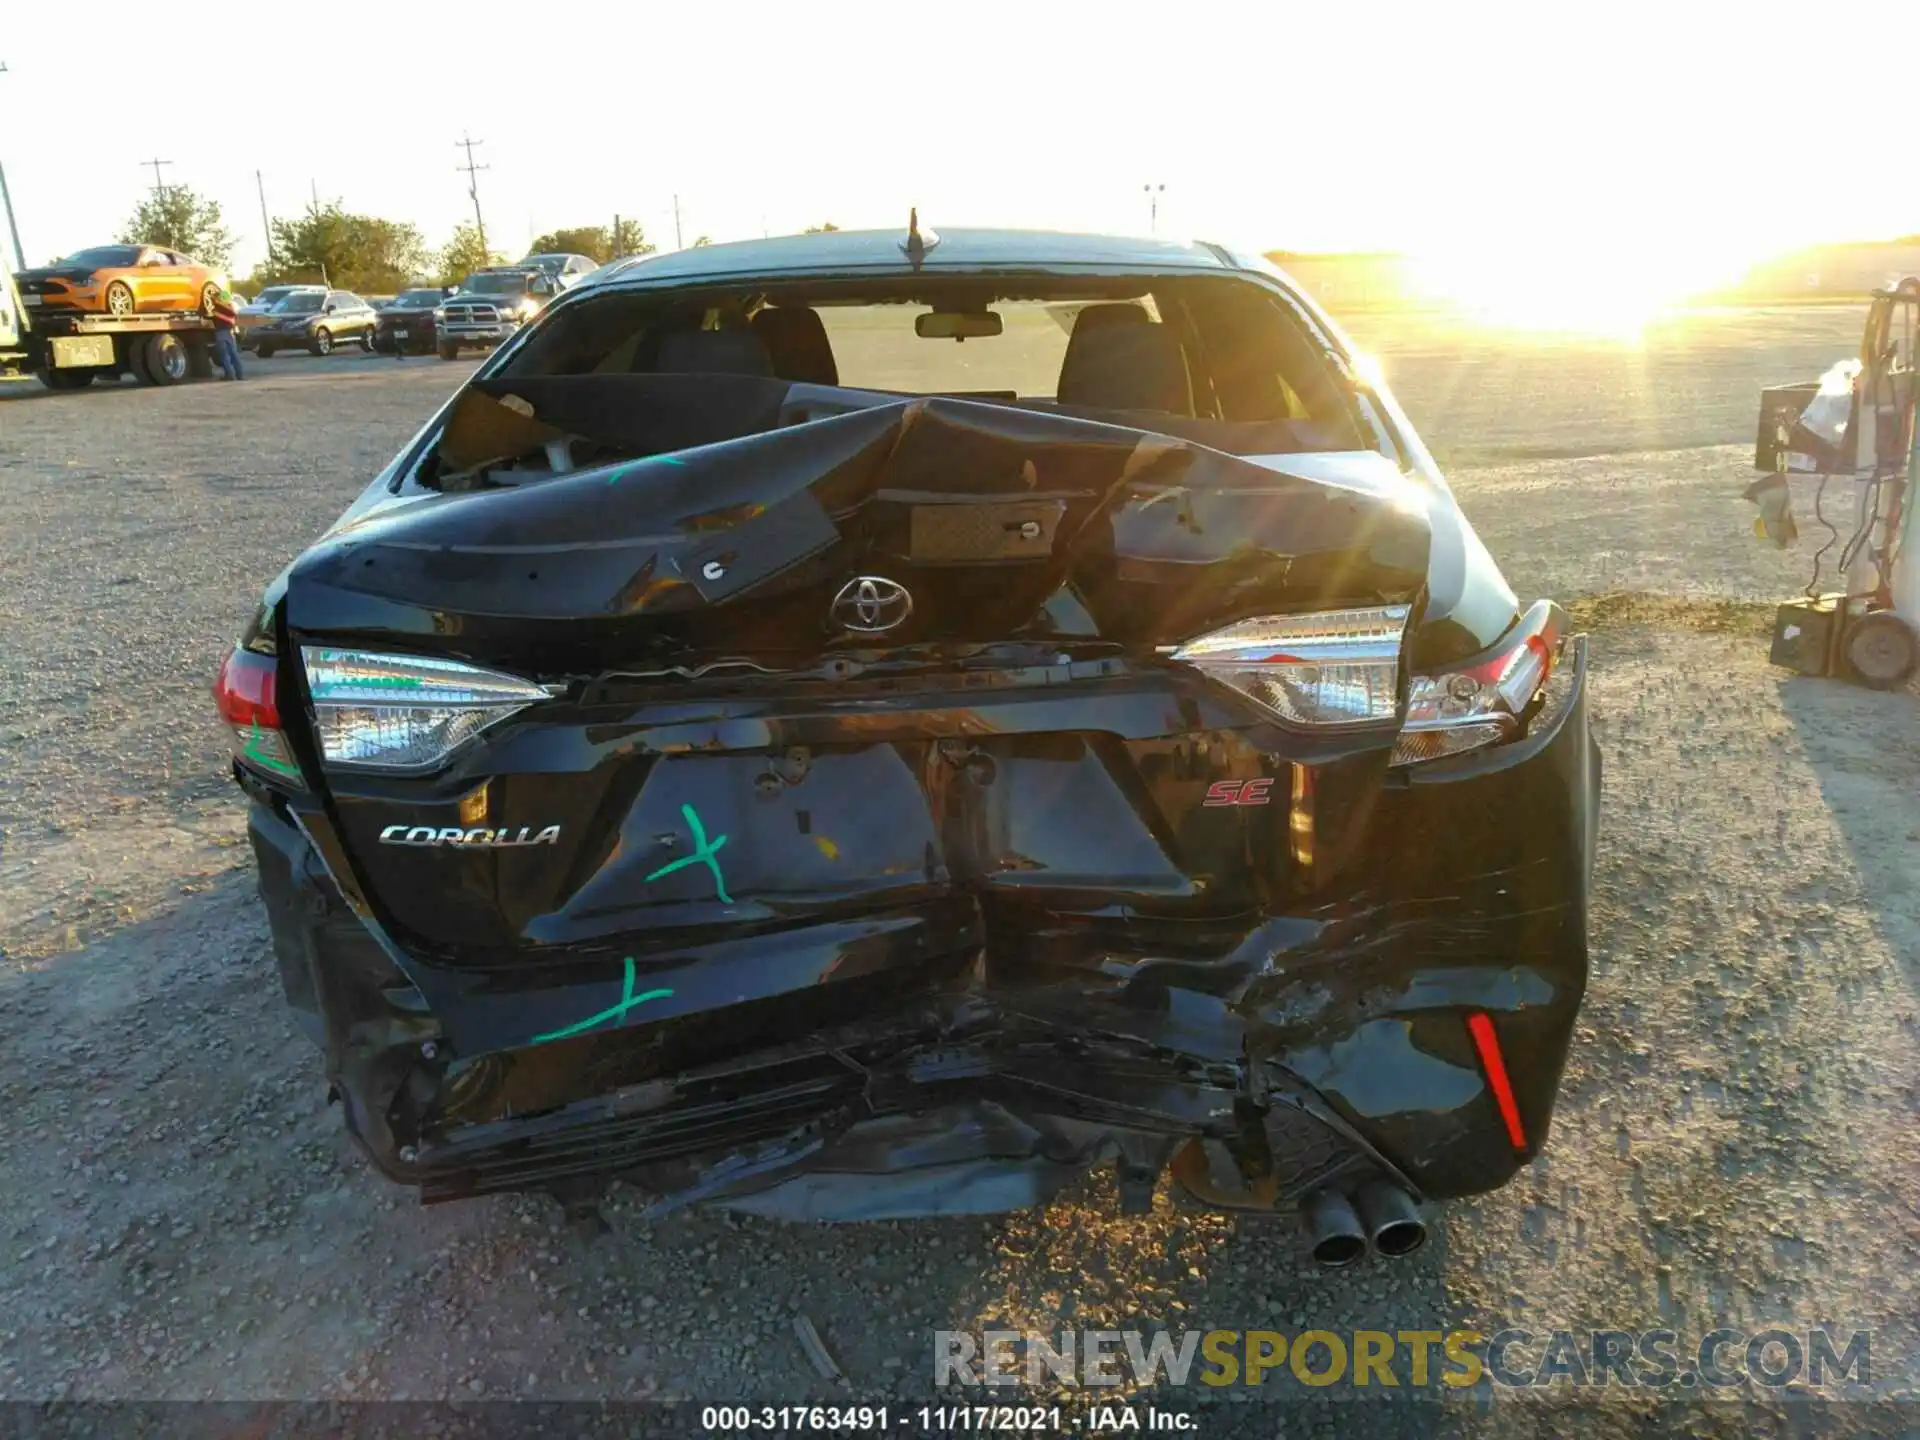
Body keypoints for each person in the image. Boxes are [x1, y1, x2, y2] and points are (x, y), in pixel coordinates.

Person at [210, 285, 244, 380]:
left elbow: (230, 314)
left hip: (222, 331)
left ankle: (230, 375)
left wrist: (215, 304)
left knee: (225, 355)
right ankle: (239, 375)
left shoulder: (222, 307)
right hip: (229, 331)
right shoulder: (228, 306)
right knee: (233, 354)